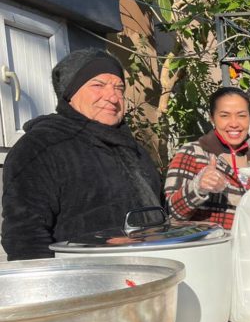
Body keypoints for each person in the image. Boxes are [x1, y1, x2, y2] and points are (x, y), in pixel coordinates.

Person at [1, 48, 161, 260]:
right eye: (98, 85)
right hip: (86, 274)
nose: (113, 97)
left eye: (119, 88)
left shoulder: (133, 149)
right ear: (70, 93)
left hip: (153, 268)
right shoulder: (40, 147)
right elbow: (25, 237)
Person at [164, 87, 250, 230]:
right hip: (208, 244)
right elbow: (171, 214)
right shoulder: (194, 153)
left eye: (242, 115)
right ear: (212, 118)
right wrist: (198, 187)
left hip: (249, 244)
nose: (234, 123)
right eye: (224, 116)